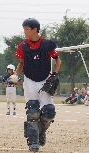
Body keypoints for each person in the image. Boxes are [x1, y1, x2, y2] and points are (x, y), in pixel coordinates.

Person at [14, 18, 61, 151]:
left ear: (35, 29)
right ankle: (33, 141)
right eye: (24, 29)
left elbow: (57, 60)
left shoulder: (47, 44)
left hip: (45, 79)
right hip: (29, 80)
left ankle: (39, 131)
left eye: (26, 29)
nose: (24, 32)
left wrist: (54, 75)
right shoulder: (22, 45)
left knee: (49, 112)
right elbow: (22, 62)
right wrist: (16, 74)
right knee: (33, 111)